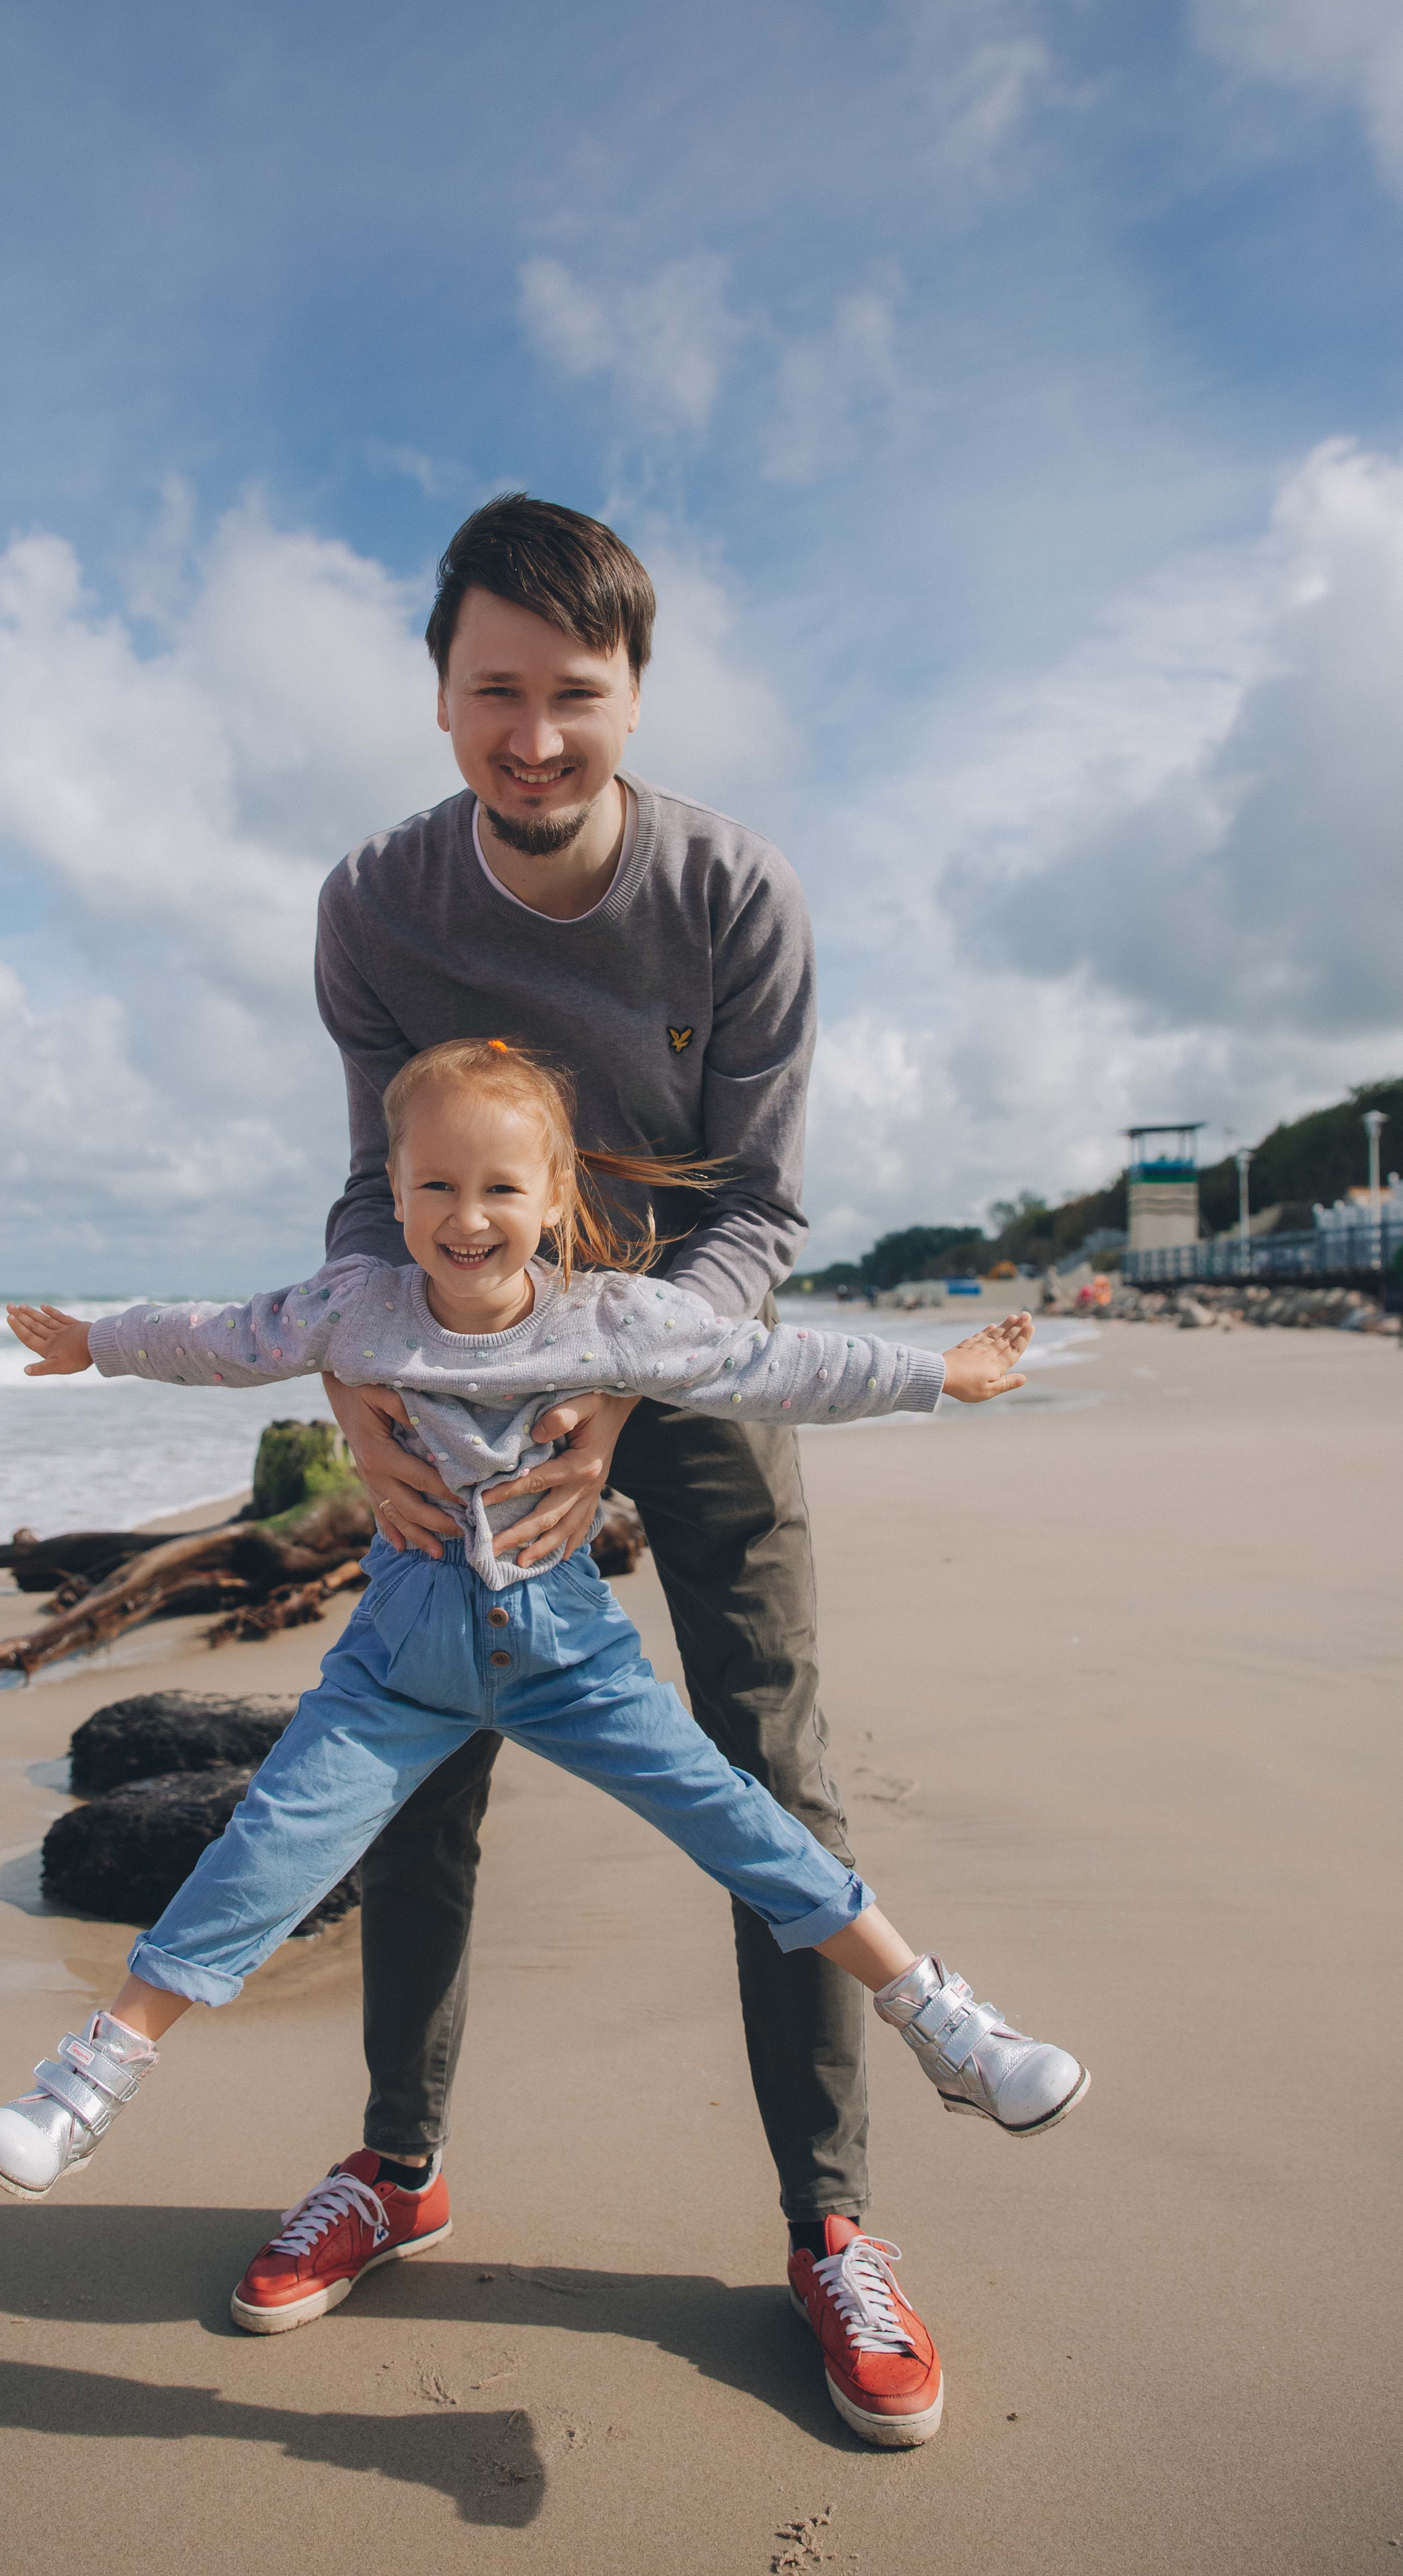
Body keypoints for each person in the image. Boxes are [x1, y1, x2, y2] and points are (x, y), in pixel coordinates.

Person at [0, 1039, 1089, 2452]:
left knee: (745, 1824)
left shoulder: (610, 1319)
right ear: (390, 1186)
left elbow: (768, 1363)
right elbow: (223, 1336)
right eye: (434, 1180)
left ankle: (941, 2024)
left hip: (566, 1657)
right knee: (266, 1845)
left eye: (499, 1184)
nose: (465, 1212)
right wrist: (98, 1344)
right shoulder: (355, 1305)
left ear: (554, 1195)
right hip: (395, 1664)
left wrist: (942, 1380)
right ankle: (86, 2082)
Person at [299, 492, 943, 2439]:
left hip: (690, 1354)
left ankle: (831, 2227)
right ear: (439, 698)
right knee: (419, 1760)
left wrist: (626, 1385)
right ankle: (396, 2170)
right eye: (495, 690)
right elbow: (366, 1191)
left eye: (574, 694)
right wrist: (356, 1387)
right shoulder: (377, 907)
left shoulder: (738, 896)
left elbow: (761, 1211)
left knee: (776, 1773)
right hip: (465, 1369)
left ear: (635, 697)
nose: (535, 734)